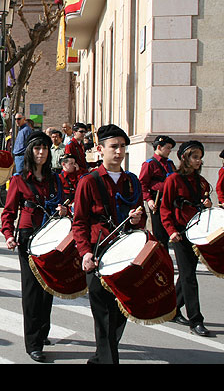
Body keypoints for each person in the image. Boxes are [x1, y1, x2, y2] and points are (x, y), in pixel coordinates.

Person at [71, 124, 145, 364]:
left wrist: (137, 219)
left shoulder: (131, 182)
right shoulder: (88, 181)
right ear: (100, 150)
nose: (119, 151)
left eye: (123, 146)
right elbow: (79, 221)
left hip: (125, 253)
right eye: (114, 146)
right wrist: (84, 253)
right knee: (103, 316)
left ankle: (99, 357)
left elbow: (138, 222)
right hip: (98, 252)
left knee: (120, 314)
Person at [0, 130, 67, 363]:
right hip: (28, 236)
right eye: (37, 148)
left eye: (45, 149)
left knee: (48, 287)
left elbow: (63, 205)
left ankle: (43, 332)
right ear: (30, 151)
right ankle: (33, 343)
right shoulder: (19, 180)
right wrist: (9, 234)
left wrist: (64, 210)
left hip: (50, 236)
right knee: (31, 290)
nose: (41, 153)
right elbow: (8, 212)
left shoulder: (55, 179)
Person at [160, 140, 213, 337]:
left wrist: (206, 204)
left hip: (196, 233)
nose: (199, 161)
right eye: (195, 157)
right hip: (180, 234)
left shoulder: (200, 181)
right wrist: (171, 230)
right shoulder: (173, 179)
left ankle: (172, 309)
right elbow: (165, 207)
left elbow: (204, 203)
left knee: (186, 274)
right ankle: (196, 320)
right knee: (190, 276)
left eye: (200, 157)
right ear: (185, 158)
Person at [138, 135, 177, 249]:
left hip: (170, 200)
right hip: (157, 201)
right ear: (159, 147)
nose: (170, 151)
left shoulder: (170, 163)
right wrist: (149, 200)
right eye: (168, 148)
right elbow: (142, 184)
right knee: (160, 234)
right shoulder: (149, 164)